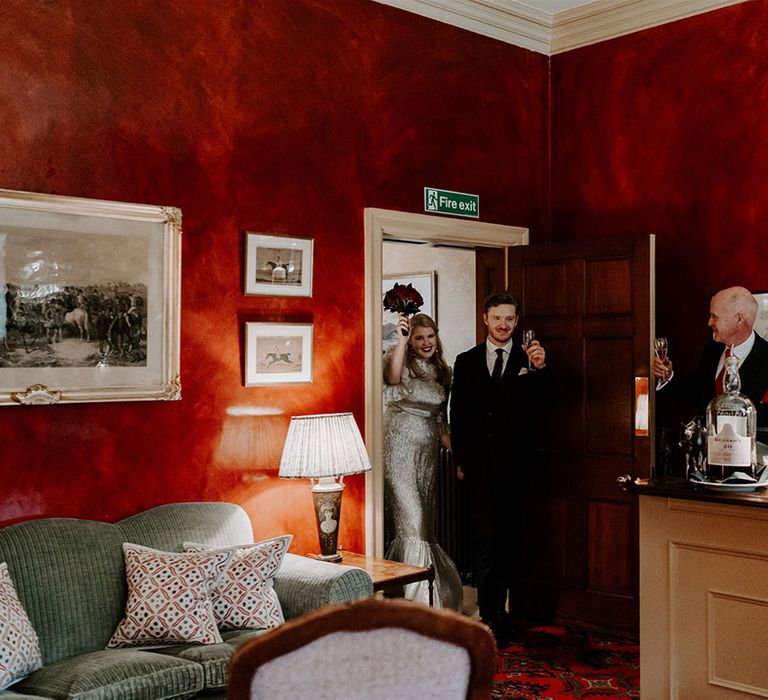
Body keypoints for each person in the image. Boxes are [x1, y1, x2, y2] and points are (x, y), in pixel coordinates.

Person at [449, 291, 551, 646]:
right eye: (497, 318)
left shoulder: (529, 359)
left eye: (510, 318)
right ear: (485, 319)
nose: (504, 325)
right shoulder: (465, 361)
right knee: (486, 540)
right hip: (478, 468)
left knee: (511, 540)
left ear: (517, 321)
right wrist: (461, 459)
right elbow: (457, 415)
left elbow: (544, 407)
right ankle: (489, 615)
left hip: (517, 468)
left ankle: (508, 614)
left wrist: (539, 371)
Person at [383, 312, 463, 610]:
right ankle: (416, 603)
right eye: (419, 338)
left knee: (425, 527)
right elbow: (391, 379)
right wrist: (401, 342)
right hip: (397, 447)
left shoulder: (445, 371)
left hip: (428, 451)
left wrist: (465, 457)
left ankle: (420, 592)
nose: (426, 342)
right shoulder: (400, 362)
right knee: (411, 522)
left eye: (430, 336)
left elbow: (442, 423)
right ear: (411, 340)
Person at [652, 286, 768, 429]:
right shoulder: (714, 348)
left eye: (715, 316)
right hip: (709, 448)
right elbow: (696, 394)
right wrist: (668, 376)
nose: (709, 322)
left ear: (739, 319)